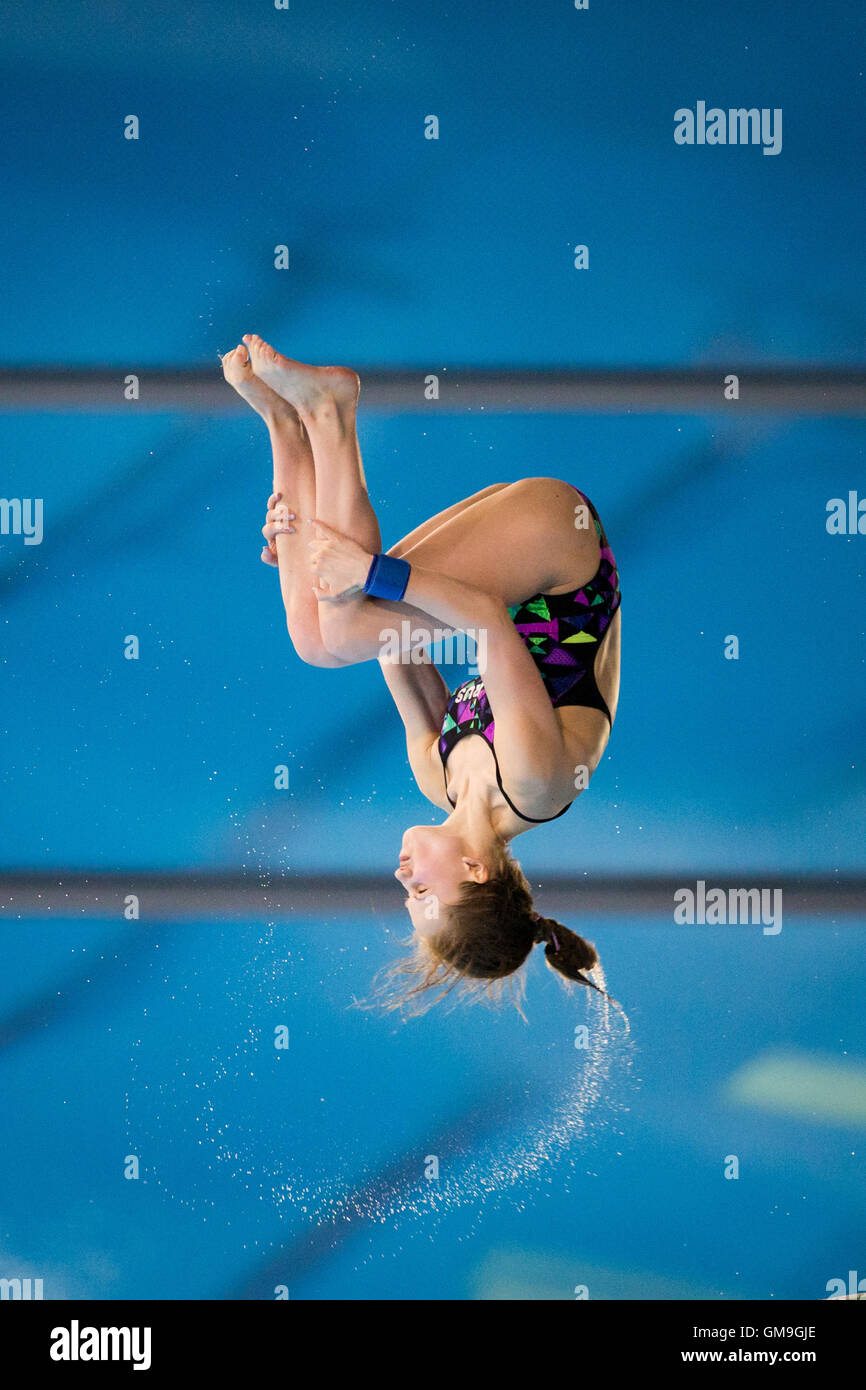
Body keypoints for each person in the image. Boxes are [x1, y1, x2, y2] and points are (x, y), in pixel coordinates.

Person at [221, 336, 621, 1016]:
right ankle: (329, 412)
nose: (401, 878)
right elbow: (487, 621)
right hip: (560, 545)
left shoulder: (437, 777)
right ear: (477, 872)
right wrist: (360, 577)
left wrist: (304, 554)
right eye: (422, 895)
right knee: (337, 628)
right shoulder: (536, 783)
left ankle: (284, 426)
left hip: (517, 564)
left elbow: (394, 642)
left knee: (320, 629)